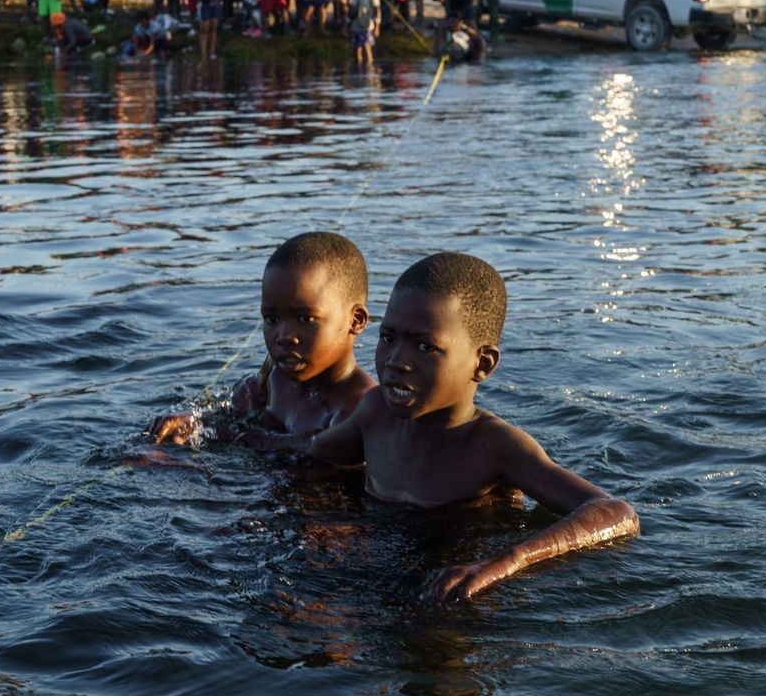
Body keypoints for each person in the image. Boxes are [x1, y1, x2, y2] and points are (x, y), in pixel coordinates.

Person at [287, 252, 639, 603]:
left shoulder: (494, 447)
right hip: (378, 562)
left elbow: (617, 513)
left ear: (482, 364)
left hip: (455, 581)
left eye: (425, 347)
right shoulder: (376, 413)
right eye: (389, 338)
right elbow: (311, 453)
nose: (396, 361)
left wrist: (505, 563)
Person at [147, 233, 376, 446]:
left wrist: (244, 439)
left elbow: (316, 463)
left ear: (355, 321)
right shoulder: (275, 377)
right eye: (272, 318)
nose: (284, 336)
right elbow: (231, 418)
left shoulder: (361, 410)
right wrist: (196, 424)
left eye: (305, 319)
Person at [348, 0, 380, 64]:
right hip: (355, 23)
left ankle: (369, 74)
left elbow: (377, 9)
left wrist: (377, 26)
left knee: (367, 48)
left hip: (367, 25)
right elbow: (351, 7)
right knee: (356, 50)